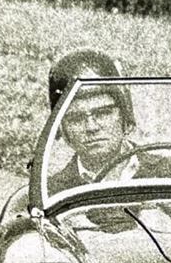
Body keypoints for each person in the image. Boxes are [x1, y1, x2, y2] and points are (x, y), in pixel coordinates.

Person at [46, 49, 137, 195]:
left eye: (103, 113)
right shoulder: (51, 193)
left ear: (124, 115)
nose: (91, 127)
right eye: (76, 118)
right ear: (62, 127)